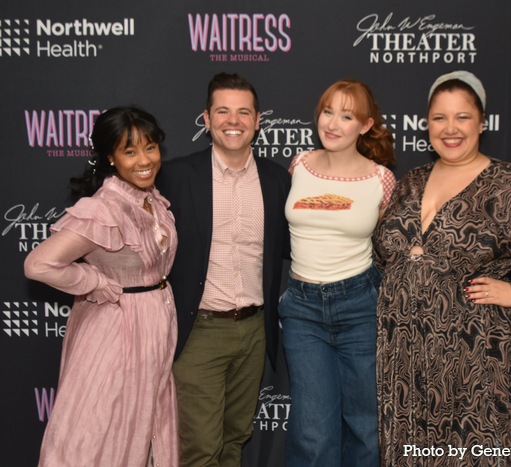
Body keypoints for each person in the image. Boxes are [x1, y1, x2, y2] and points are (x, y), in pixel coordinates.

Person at [373, 71, 511, 466]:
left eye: (462, 117)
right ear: (426, 124)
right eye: (439, 118)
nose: (450, 129)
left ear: (482, 122)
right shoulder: (410, 182)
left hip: (473, 352)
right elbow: (386, 253)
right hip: (404, 354)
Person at [24, 107, 179, 466]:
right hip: (116, 334)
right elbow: (38, 264)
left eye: (151, 147)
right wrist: (93, 282)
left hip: (152, 334)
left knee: (140, 428)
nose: (145, 160)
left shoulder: (151, 200)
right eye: (130, 151)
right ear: (110, 157)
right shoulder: (103, 209)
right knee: (99, 429)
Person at [156, 72, 291, 467]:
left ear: (258, 120)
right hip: (199, 331)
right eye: (223, 111)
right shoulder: (175, 176)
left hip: (253, 331)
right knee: (200, 447)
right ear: (206, 117)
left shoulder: (277, 179)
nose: (234, 121)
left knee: (235, 440)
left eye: (244, 112)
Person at [280, 78, 396, 467]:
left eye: (346, 116)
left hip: (360, 307)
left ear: (364, 125)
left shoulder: (381, 180)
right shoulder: (299, 164)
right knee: (312, 432)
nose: (332, 123)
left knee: (365, 428)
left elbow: (388, 246)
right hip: (302, 310)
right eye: (328, 111)